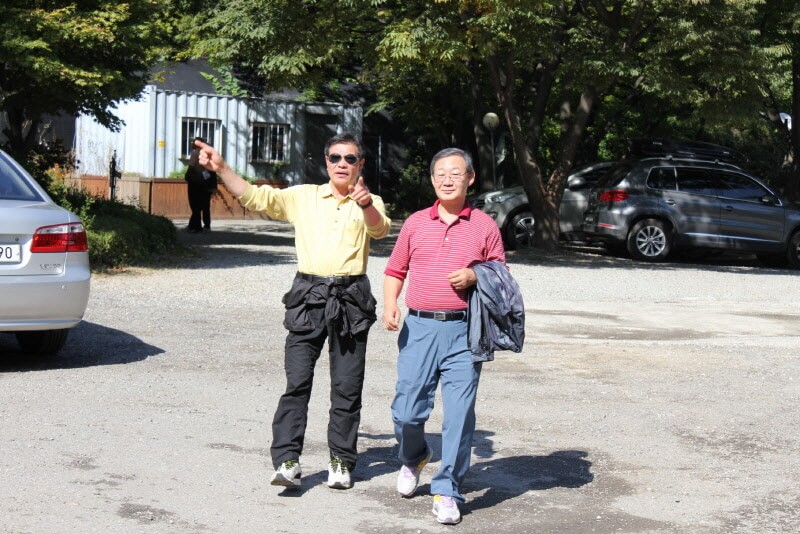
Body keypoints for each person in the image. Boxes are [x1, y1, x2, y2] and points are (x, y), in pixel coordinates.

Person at [194, 132, 391, 491]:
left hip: (350, 299)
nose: (342, 164)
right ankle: (287, 460)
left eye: (350, 158)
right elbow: (255, 197)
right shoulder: (304, 196)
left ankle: (341, 461)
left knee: (347, 387)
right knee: (297, 382)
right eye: (335, 157)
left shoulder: (369, 200)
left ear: (360, 164)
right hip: (308, 296)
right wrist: (221, 168)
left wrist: (365, 205)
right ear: (326, 162)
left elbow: (379, 230)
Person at [382, 147, 506, 525]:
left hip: (464, 332)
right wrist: (390, 303)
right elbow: (395, 269)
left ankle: (447, 488)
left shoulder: (484, 226)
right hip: (418, 329)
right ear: (432, 179)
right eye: (440, 173)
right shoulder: (416, 223)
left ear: (470, 178)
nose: (447, 179)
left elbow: (500, 273)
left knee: (459, 415)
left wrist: (474, 275)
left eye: (455, 173)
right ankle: (414, 456)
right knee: (407, 411)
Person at [184, 137, 218, 233]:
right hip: (207, 184)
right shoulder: (210, 154)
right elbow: (213, 171)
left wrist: (187, 177)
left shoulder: (195, 153)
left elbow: (191, 168)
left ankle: (196, 227)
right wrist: (214, 186)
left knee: (195, 206)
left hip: (195, 184)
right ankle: (205, 225)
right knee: (205, 206)